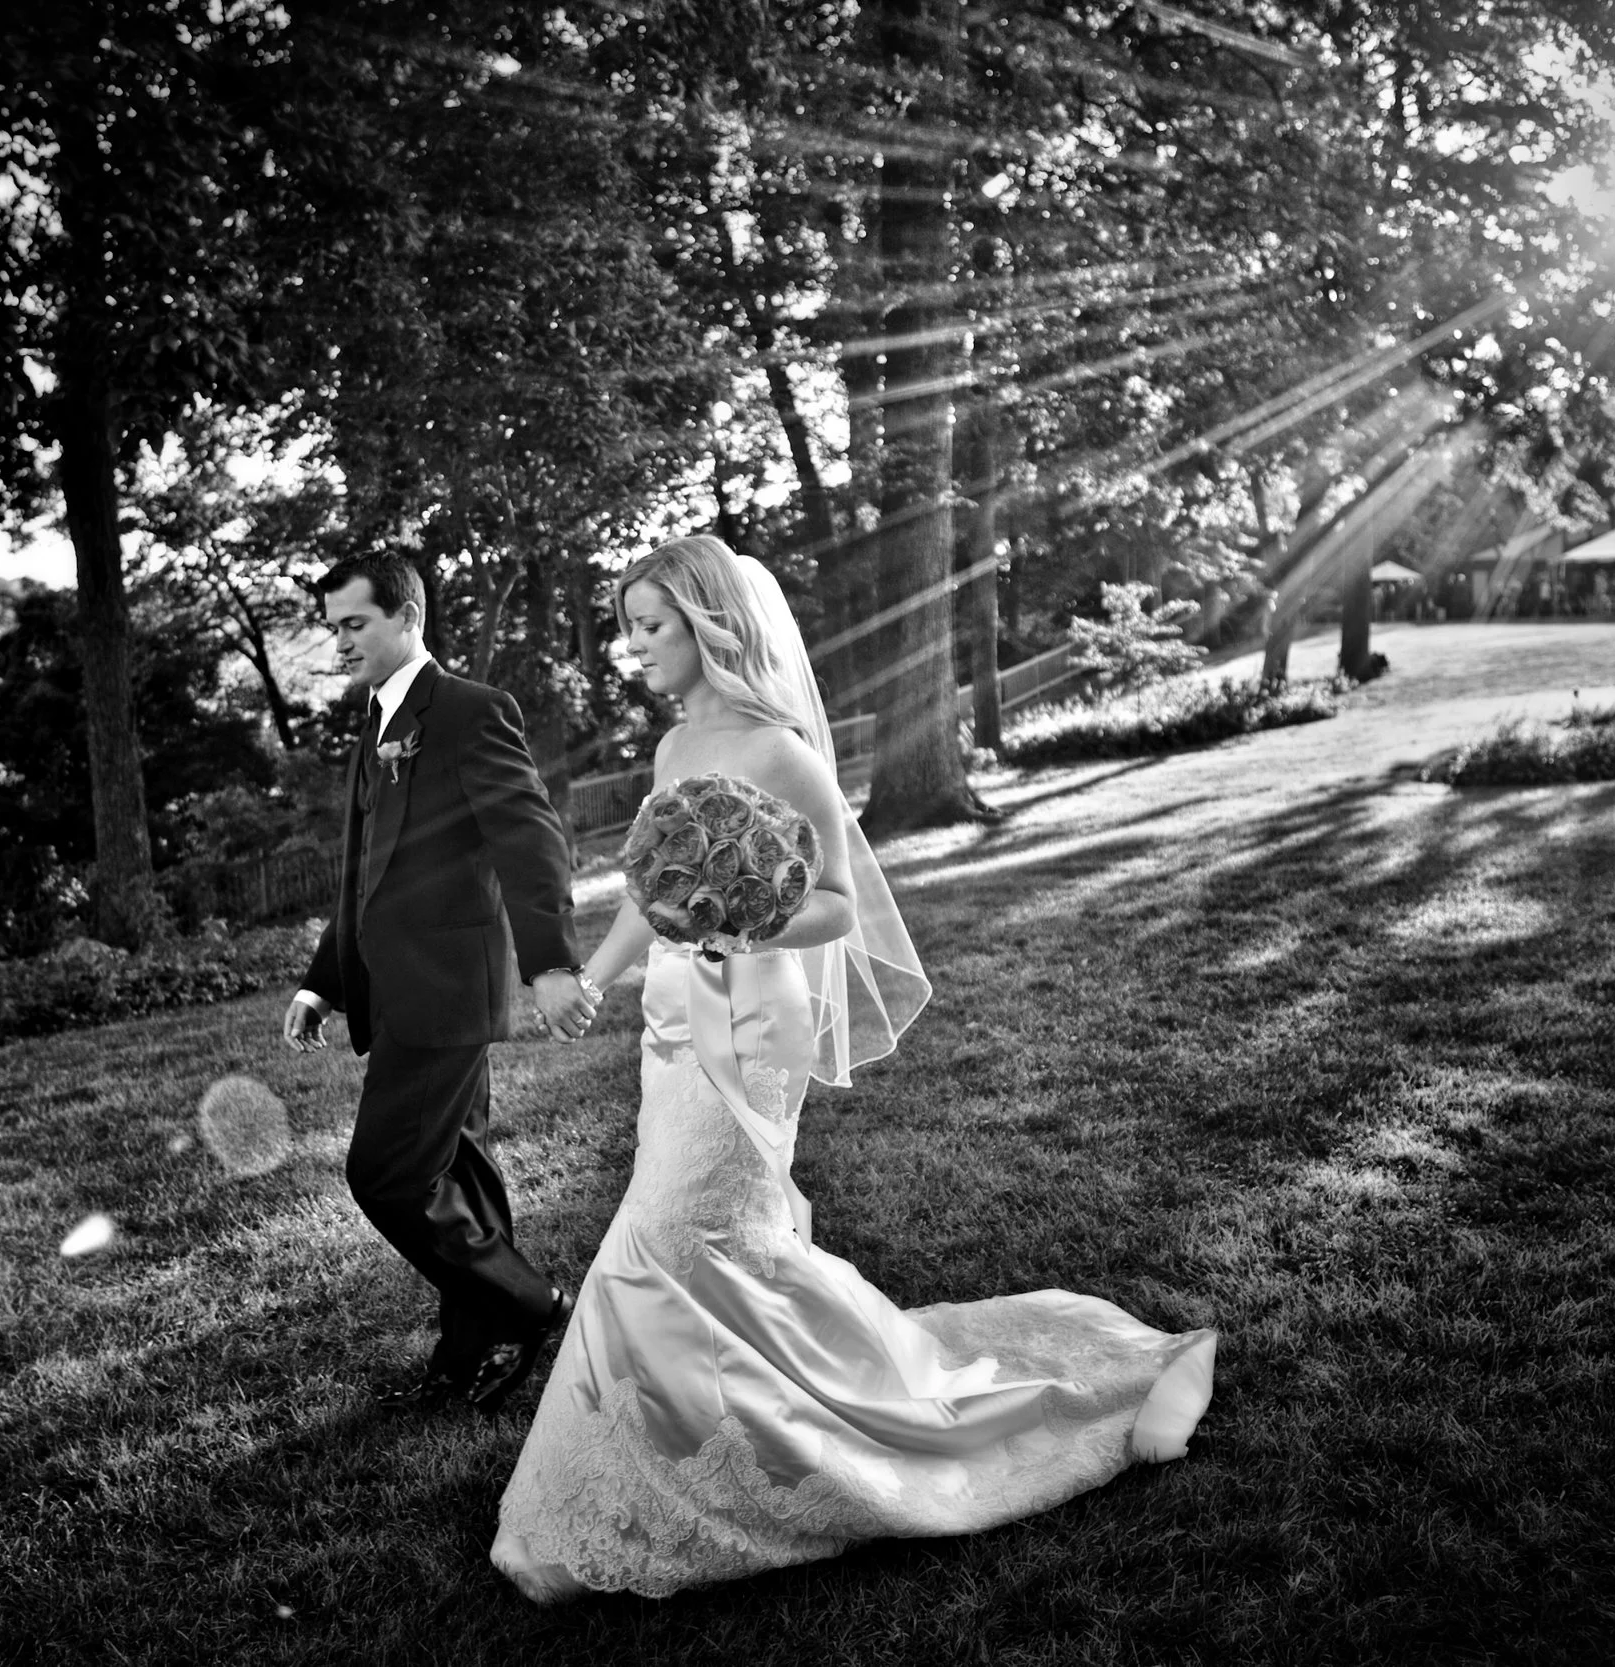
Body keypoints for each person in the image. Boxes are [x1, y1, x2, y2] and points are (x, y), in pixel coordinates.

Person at [488, 535, 1219, 1602]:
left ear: (710, 624)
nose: (630, 645)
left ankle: (731, 1468)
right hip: (672, 1026)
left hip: (752, 1029)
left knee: (677, 1230)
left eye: (650, 625)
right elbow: (652, 891)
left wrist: (745, 927)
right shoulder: (673, 747)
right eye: (629, 625)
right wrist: (593, 975)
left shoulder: (780, 750)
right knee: (705, 1238)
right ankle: (706, 1446)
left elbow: (837, 901)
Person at [283, 554, 599, 1413]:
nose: (339, 641)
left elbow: (530, 840)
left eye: (354, 623)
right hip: (395, 993)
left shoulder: (467, 711)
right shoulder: (374, 725)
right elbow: (361, 876)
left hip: (448, 991)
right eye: (333, 626)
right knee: (458, 1171)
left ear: (408, 617)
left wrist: (551, 964)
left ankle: (531, 1305)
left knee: (385, 1173)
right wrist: (324, 984)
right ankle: (468, 1350)